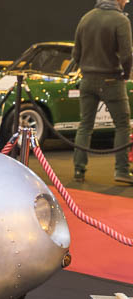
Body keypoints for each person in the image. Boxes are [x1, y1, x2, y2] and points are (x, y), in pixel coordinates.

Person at [73, 0, 133, 184]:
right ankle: (122, 171)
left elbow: (76, 54)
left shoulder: (86, 18)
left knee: (85, 126)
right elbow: (127, 54)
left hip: (87, 79)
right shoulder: (120, 20)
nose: (126, 2)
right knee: (122, 126)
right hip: (111, 80)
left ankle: (78, 170)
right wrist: (126, 74)